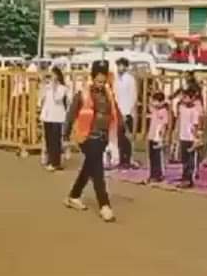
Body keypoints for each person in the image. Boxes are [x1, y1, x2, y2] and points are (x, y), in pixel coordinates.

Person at [63, 61, 121, 222]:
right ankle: (105, 205)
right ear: (92, 78)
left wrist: (123, 130)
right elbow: (70, 114)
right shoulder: (83, 94)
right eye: (98, 81)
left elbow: (115, 112)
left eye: (103, 81)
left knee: (89, 167)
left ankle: (73, 196)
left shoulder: (109, 94)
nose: (101, 84)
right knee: (98, 171)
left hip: (102, 137)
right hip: (87, 137)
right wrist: (65, 136)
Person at [38, 66, 70, 171]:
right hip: (47, 116)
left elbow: (58, 98)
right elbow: (42, 98)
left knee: (55, 140)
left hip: (57, 117)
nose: (51, 77)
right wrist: (43, 84)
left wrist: (55, 86)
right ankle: (50, 160)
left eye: (53, 75)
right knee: (48, 139)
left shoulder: (62, 88)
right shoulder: (48, 86)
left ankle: (56, 162)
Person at [175, 88, 203, 189]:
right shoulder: (182, 108)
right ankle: (184, 177)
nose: (184, 99)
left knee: (190, 160)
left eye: (186, 97)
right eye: (183, 97)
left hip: (190, 138)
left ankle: (189, 179)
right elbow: (179, 121)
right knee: (184, 159)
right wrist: (177, 133)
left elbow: (196, 125)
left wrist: (197, 138)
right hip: (183, 136)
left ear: (192, 99)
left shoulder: (194, 111)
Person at [113, 58, 138, 169]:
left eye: (122, 66)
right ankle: (121, 159)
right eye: (118, 66)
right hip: (118, 111)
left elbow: (133, 96)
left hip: (127, 111)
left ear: (126, 67)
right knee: (120, 137)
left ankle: (127, 159)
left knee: (127, 137)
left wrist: (128, 112)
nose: (119, 68)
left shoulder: (130, 79)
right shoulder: (116, 80)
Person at [146, 92, 172, 183]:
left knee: (158, 156)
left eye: (156, 101)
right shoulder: (154, 110)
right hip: (151, 136)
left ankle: (158, 174)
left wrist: (163, 136)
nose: (154, 103)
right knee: (151, 156)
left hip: (158, 137)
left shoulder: (164, 111)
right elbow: (149, 105)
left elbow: (165, 124)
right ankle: (152, 174)